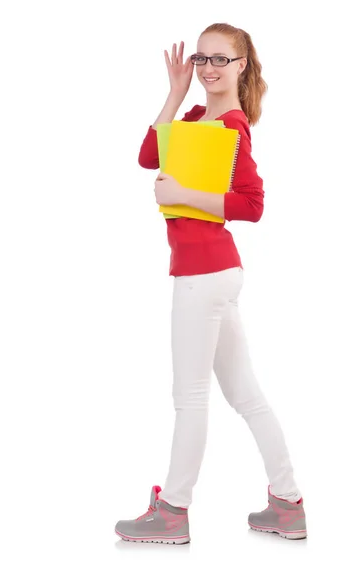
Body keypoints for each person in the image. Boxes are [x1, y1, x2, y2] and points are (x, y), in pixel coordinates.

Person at [114, 23, 306, 544]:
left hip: (204, 274)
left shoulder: (232, 127)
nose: (208, 68)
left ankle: (173, 511)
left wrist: (185, 194)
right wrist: (175, 94)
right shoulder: (198, 115)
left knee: (190, 397)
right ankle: (287, 503)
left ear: (242, 65)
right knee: (245, 394)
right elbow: (147, 157)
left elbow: (253, 204)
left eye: (221, 59)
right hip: (212, 273)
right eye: (202, 58)